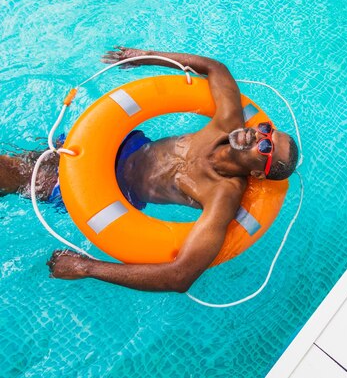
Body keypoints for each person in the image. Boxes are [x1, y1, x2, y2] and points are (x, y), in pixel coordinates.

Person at [0, 47, 299, 292]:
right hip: (109, 145)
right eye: (266, 130)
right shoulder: (227, 122)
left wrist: (86, 267)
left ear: (258, 173)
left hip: (103, 188)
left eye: (266, 148)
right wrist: (145, 56)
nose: (260, 136)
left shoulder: (222, 196)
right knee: (14, 163)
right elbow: (217, 68)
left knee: (12, 175)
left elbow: (180, 277)